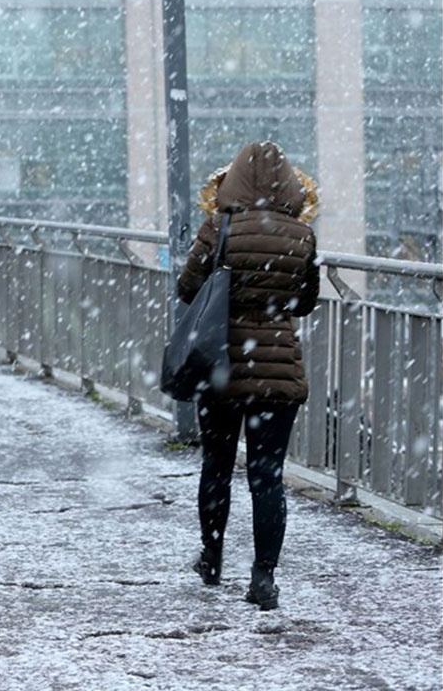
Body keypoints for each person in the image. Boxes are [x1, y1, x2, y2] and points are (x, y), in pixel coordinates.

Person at [177, 141, 320, 612]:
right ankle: (263, 578)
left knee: (217, 467)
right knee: (267, 477)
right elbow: (304, 302)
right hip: (277, 373)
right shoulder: (302, 236)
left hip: (219, 367)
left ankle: (212, 559)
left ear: (233, 179)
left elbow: (187, 289)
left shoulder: (219, 226)